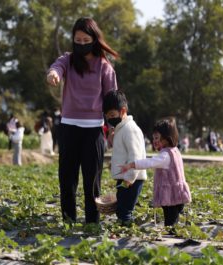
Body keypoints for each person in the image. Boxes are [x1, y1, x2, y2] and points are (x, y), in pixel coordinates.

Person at [46, 17, 118, 223]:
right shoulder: (68, 60)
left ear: (94, 40)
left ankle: (92, 221)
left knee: (91, 179)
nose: (81, 44)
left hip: (93, 131)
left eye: (86, 40)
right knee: (67, 178)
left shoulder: (105, 67)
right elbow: (56, 68)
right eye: (78, 40)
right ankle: (68, 218)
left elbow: (112, 100)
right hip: (68, 127)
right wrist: (53, 75)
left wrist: (113, 129)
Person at [119, 117, 191, 229]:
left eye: (157, 138)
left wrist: (131, 165)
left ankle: (171, 234)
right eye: (153, 138)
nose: (154, 141)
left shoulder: (165, 155)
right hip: (178, 194)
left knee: (170, 222)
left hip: (170, 197)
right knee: (173, 220)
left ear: (167, 138)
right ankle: (174, 229)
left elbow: (150, 162)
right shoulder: (175, 151)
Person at [103, 90, 147, 225]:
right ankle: (124, 225)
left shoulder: (130, 129)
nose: (110, 119)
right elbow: (122, 153)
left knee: (124, 209)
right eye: (107, 116)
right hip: (124, 177)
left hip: (132, 179)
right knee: (121, 207)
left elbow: (136, 155)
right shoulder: (121, 128)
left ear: (122, 111)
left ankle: (127, 228)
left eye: (112, 115)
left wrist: (129, 178)